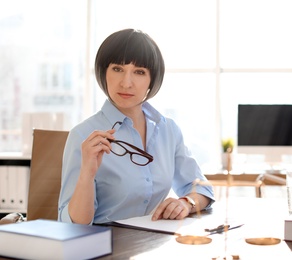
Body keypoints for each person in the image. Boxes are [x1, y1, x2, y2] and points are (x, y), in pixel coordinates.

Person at [58, 29, 214, 225]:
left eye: (139, 72)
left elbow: (202, 189)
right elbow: (72, 225)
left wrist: (186, 202)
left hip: (152, 244)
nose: (126, 83)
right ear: (103, 73)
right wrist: (86, 175)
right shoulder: (82, 135)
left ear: (152, 80)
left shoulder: (168, 130)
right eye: (117, 69)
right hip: (103, 247)